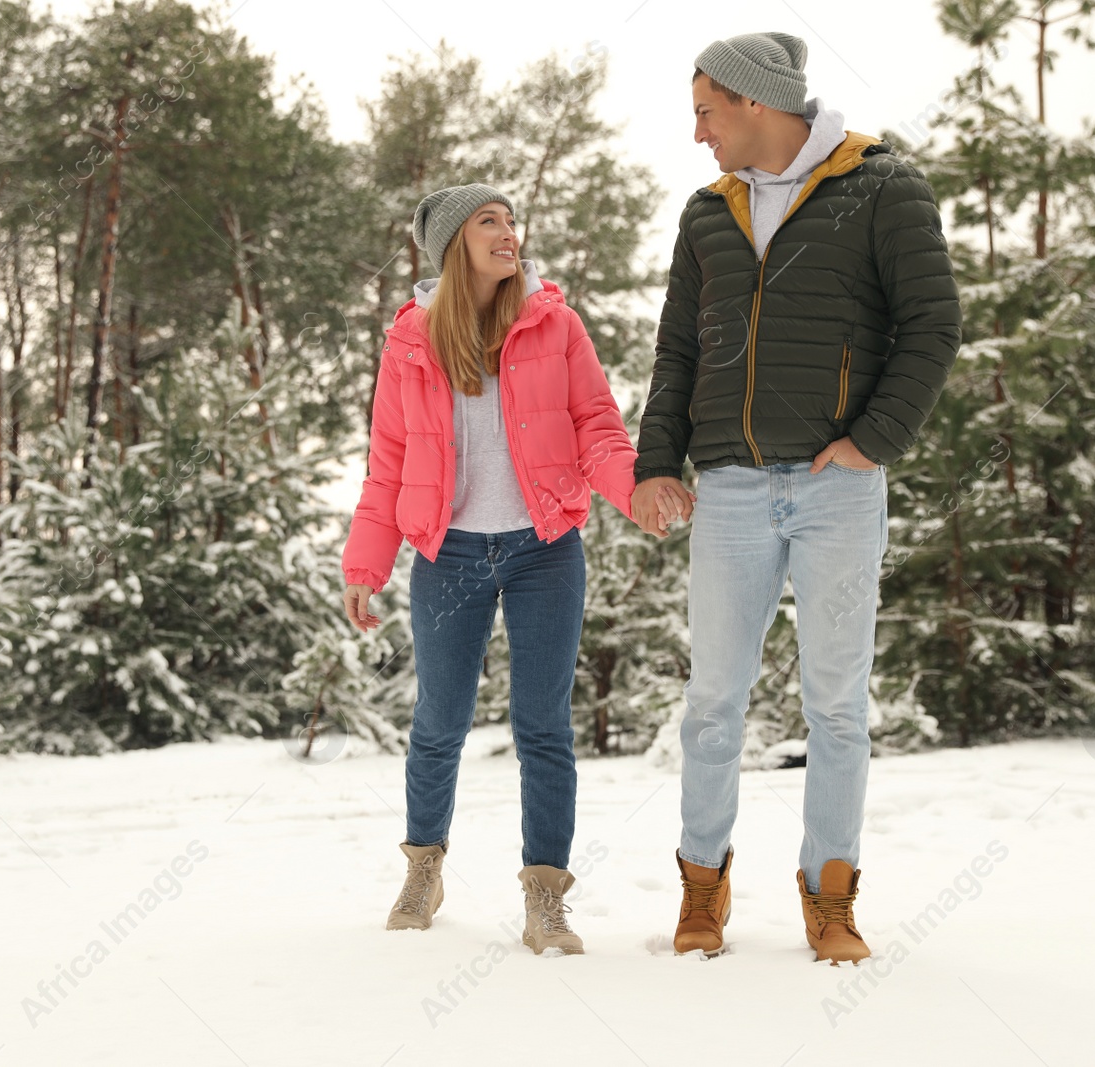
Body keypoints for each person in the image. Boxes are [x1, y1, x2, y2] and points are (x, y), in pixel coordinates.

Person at [632, 32, 962, 963]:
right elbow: (677, 352)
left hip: (836, 489)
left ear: (754, 103)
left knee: (837, 705)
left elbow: (933, 322)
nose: (697, 131)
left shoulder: (881, 185)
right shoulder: (707, 215)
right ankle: (703, 891)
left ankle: (832, 899)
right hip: (730, 486)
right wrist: (657, 461)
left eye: (705, 109)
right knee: (712, 703)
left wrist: (873, 442)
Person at [341, 183, 641, 955]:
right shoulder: (411, 341)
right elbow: (388, 462)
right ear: (452, 244)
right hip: (450, 552)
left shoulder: (555, 323)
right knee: (439, 723)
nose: (509, 232)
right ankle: (423, 867)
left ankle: (546, 894)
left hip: (545, 547)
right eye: (489, 222)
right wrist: (366, 564)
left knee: (544, 726)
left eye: (511, 220)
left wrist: (637, 489)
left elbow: (596, 427)